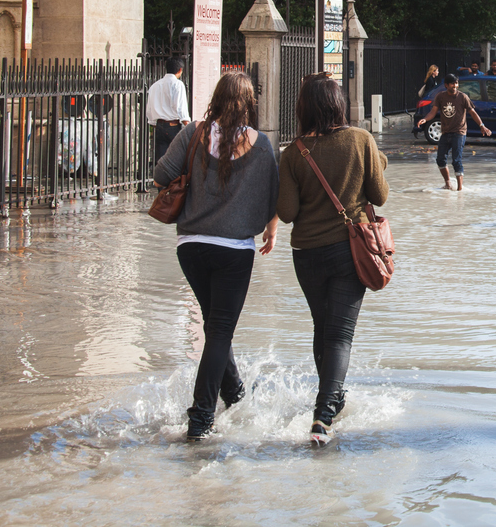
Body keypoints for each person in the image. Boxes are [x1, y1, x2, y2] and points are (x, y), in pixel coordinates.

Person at [154, 71, 280, 441]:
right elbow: (276, 197)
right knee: (220, 331)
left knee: (214, 327)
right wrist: (271, 228)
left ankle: (235, 393)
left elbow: (162, 175)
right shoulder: (261, 145)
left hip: (190, 247)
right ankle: (201, 418)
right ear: (249, 103)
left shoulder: (193, 132)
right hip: (234, 252)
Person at [277, 73, 389, 445]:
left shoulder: (293, 152)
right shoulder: (361, 140)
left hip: (306, 253)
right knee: (340, 335)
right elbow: (380, 195)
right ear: (338, 104)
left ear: (304, 109)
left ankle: (334, 400)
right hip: (349, 250)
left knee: (321, 327)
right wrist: (378, 164)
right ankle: (323, 416)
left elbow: (288, 212)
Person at [417, 74, 491, 190]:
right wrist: (425, 119)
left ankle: (460, 190)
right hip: (446, 132)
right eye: (452, 84)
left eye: (456, 83)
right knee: (440, 159)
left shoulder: (463, 97)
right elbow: (433, 111)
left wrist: (482, 125)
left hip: (459, 132)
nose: (455, 86)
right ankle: (448, 184)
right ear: (446, 85)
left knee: (456, 160)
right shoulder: (440, 97)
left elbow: (472, 112)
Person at [147, 56, 191, 164]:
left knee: (161, 161)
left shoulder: (154, 86)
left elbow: (149, 109)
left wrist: (153, 122)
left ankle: (161, 181)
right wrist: (189, 125)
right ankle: (174, 181)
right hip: (173, 127)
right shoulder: (178, 84)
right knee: (177, 160)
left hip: (159, 126)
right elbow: (181, 109)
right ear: (180, 70)